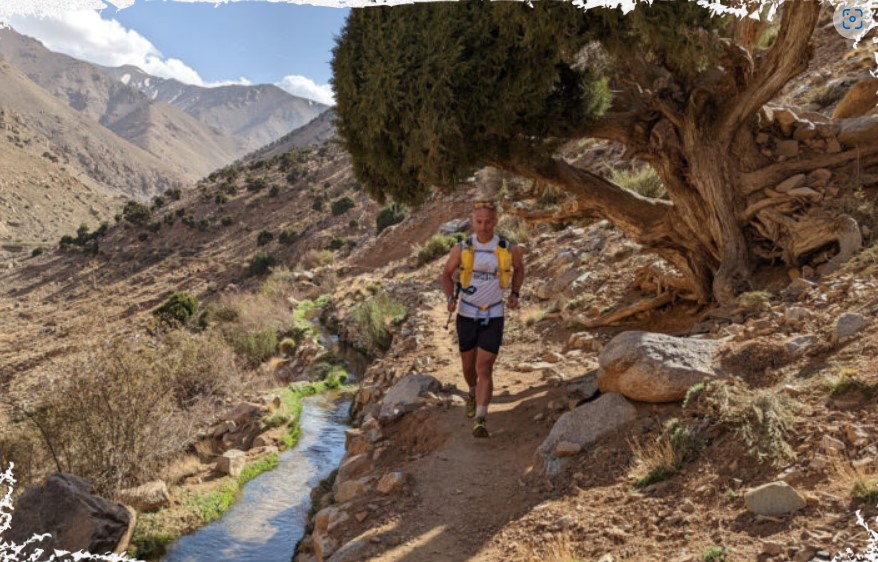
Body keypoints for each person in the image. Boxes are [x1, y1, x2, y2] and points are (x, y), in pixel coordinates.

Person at [441, 200, 525, 438]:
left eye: (488, 222)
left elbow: (520, 269)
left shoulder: (507, 248)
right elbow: (447, 275)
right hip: (467, 313)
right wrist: (450, 297)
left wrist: (515, 294)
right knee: (468, 367)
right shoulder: (463, 248)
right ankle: (471, 390)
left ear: (495, 222)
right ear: (473, 220)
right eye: (479, 221)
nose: (483, 226)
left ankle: (480, 418)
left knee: (484, 366)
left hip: (494, 313)